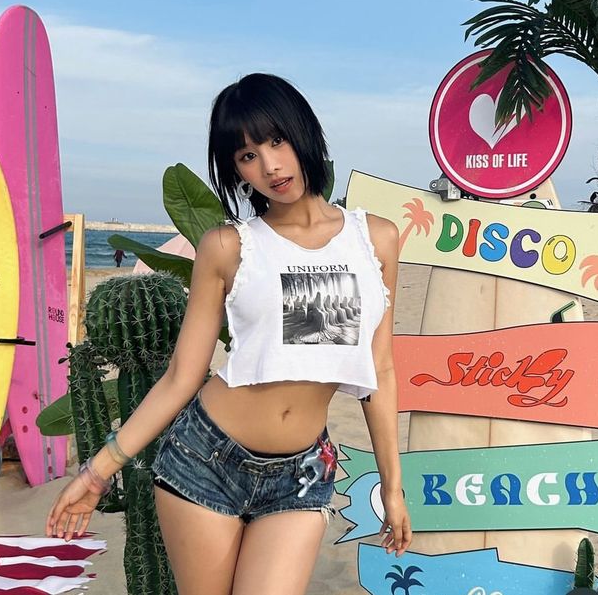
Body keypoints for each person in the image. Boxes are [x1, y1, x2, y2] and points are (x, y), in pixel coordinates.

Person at [46, 73, 411, 595]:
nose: (270, 166)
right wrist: (97, 471)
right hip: (206, 459)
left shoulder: (375, 239)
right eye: (247, 155)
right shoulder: (228, 246)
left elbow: (381, 369)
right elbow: (181, 376)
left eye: (276, 141)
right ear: (235, 169)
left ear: (303, 133)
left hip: (302, 472)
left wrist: (392, 487)